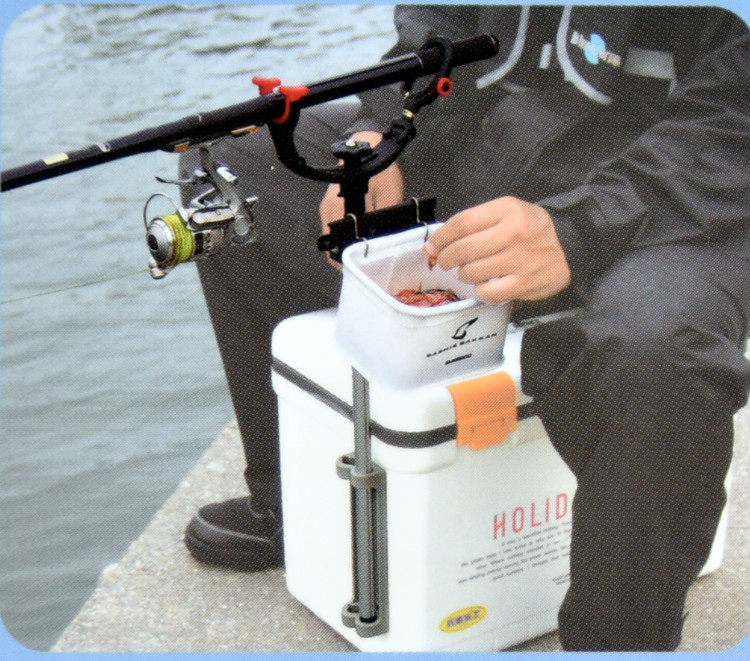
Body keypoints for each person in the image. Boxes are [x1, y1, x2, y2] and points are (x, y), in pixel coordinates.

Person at [179, 5, 750, 651]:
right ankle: (299, 508)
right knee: (230, 168)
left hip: (686, 195)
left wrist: (578, 226)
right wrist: (382, 135)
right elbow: (439, 25)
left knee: (655, 348)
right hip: (502, 146)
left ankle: (619, 639)